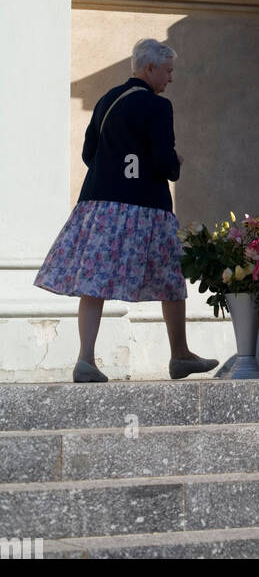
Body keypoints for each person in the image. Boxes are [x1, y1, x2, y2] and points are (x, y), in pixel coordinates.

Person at [34, 39, 217, 382]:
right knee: (170, 280)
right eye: (168, 71)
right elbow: (164, 159)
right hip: (147, 207)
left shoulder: (106, 100)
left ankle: (85, 360)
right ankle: (179, 355)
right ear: (149, 69)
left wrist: (116, 170)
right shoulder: (158, 107)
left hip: (99, 203)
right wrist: (174, 164)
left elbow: (91, 153)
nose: (171, 78)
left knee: (94, 280)